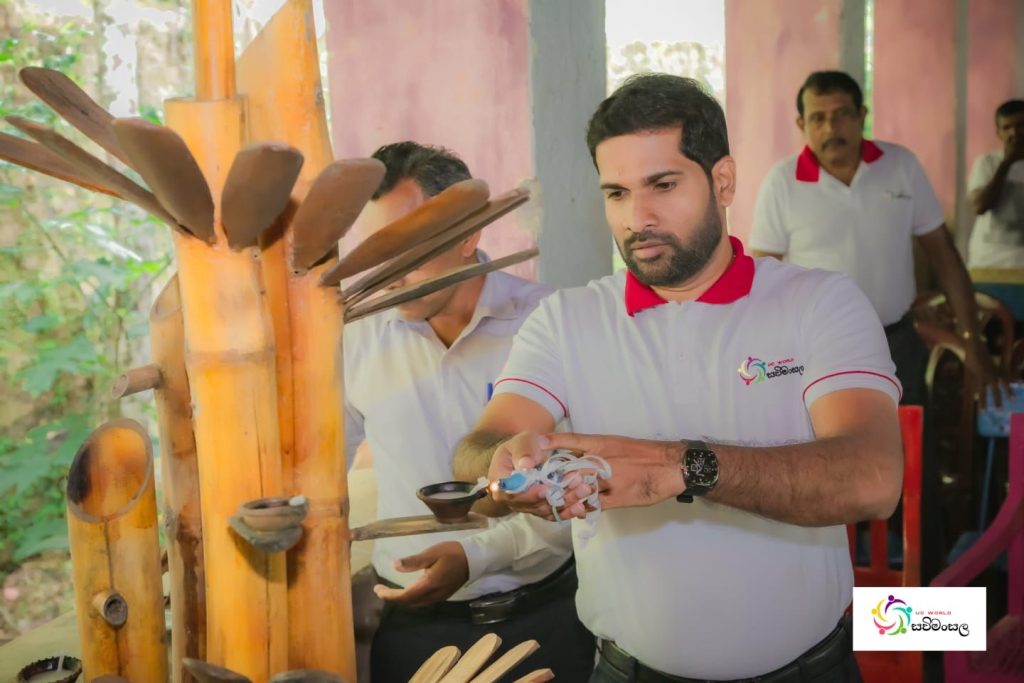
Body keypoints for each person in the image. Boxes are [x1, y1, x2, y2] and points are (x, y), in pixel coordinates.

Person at [452, 73, 902, 682]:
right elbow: (476, 450)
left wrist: (683, 467)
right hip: (626, 672)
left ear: (723, 181)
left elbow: (873, 478)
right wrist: (506, 463)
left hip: (808, 671)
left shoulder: (819, 303)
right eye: (616, 193)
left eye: (663, 185)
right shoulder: (567, 320)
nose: (638, 217)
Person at [342, 141, 595, 683]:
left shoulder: (548, 323)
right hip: (411, 631)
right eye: (377, 249)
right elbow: (316, 477)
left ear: (469, 235)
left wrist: (476, 556)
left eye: (408, 246)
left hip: (541, 619)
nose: (389, 273)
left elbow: (581, 486)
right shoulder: (354, 337)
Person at [749, 70, 1005, 408]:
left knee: (906, 437)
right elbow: (764, 275)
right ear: (802, 124)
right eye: (818, 118)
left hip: (895, 343)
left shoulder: (901, 166)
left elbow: (943, 253)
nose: (831, 128)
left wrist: (972, 337)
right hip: (815, 350)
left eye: (842, 114)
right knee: (824, 439)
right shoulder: (782, 182)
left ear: (861, 115)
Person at [967, 99, 1024, 269]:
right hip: (989, 259)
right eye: (1007, 128)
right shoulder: (986, 163)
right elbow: (979, 206)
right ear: (998, 133)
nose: (1014, 133)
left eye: (1021, 125)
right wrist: (1006, 163)